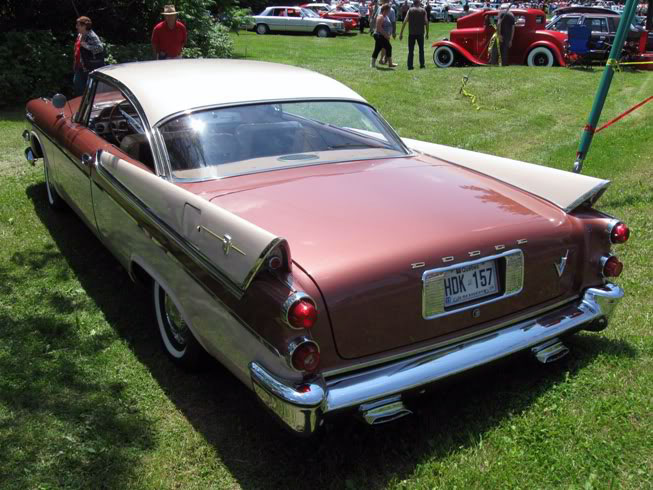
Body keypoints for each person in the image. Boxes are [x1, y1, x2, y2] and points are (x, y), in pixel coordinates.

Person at [73, 16, 105, 96]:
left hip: (88, 67)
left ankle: (85, 106)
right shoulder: (80, 35)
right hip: (80, 66)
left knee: (85, 90)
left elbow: (100, 48)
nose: (76, 27)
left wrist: (87, 46)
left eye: (78, 25)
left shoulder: (91, 35)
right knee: (78, 87)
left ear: (84, 26)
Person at [399, 0, 429, 69]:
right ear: (419, 2)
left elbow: (405, 21)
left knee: (411, 50)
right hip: (420, 33)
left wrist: (401, 33)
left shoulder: (410, 10)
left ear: (413, 3)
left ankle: (410, 66)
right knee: (421, 50)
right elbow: (426, 22)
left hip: (412, 33)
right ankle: (422, 64)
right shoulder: (423, 10)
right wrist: (427, 33)